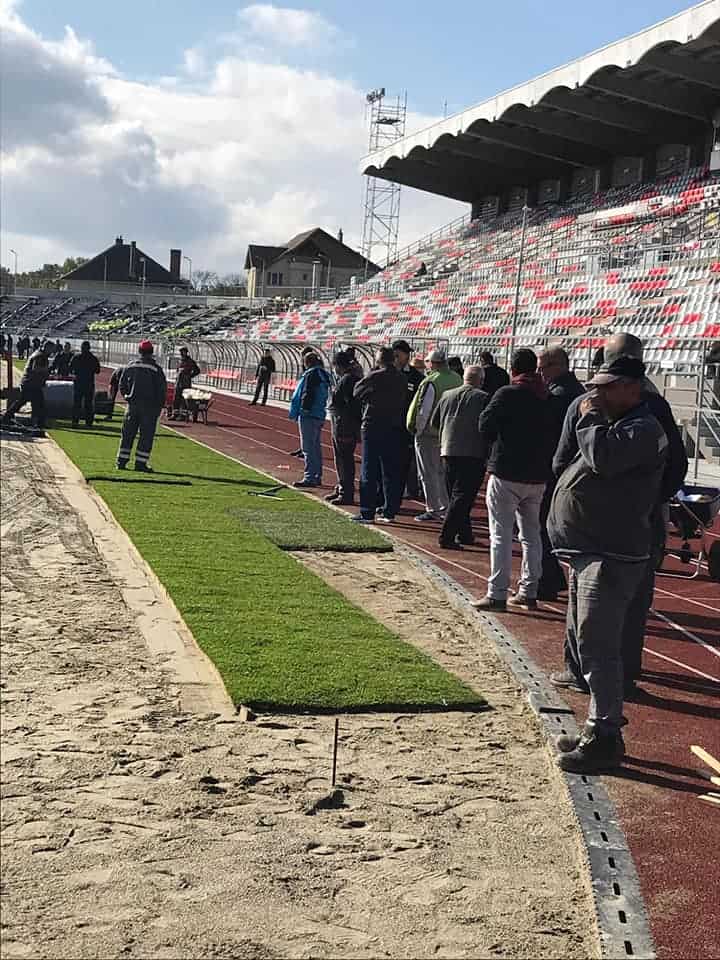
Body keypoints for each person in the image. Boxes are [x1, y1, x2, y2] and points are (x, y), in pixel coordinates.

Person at [548, 356, 668, 773]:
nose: (593, 393)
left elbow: (604, 460)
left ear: (633, 388)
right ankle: (597, 727)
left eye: (605, 386)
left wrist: (588, 420)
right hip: (591, 549)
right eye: (594, 386)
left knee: (598, 645)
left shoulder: (643, 428)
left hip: (612, 554)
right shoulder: (615, 423)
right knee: (585, 646)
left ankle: (605, 736)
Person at [552, 333, 687, 696]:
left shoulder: (588, 407)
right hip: (636, 517)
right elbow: (677, 464)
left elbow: (562, 461)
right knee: (629, 599)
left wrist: (582, 490)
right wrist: (651, 498)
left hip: (603, 521)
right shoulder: (655, 406)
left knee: (587, 600)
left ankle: (584, 674)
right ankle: (620, 674)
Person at [475, 348, 555, 612]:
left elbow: (484, 425)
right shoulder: (547, 396)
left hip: (507, 472)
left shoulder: (508, 393)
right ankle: (529, 591)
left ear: (513, 369)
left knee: (501, 534)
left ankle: (497, 593)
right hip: (537, 475)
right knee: (532, 535)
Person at [536, 347, 585, 600]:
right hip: (569, 471)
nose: (539, 373)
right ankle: (551, 577)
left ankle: (548, 579)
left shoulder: (560, 396)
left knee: (543, 526)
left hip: (558, 472)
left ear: (557, 366)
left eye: (543, 368)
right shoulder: (575, 392)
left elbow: (550, 436)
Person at [431, 365, 489, 549]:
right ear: (480, 380)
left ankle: (465, 534)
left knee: (456, 495)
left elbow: (435, 421)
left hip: (448, 449)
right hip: (472, 452)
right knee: (463, 496)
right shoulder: (483, 398)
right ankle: (447, 536)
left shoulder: (447, 395)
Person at [352, 346, 409, 523]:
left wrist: (370, 397)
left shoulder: (375, 375)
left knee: (369, 469)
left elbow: (356, 392)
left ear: (379, 360)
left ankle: (367, 511)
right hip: (393, 426)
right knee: (390, 470)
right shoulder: (401, 377)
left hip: (373, 424)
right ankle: (389, 510)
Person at [407, 349, 462, 521]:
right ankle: (446, 507)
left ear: (433, 363)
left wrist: (418, 430)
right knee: (443, 473)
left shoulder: (431, 381)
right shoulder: (456, 378)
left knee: (428, 473)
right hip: (449, 432)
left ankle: (434, 508)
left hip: (430, 434)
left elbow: (424, 410)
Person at [116, 340, 167, 472]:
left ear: (139, 351)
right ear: (151, 352)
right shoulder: (156, 369)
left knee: (127, 434)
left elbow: (121, 385)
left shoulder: (130, 366)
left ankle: (121, 461)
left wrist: (127, 396)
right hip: (149, 408)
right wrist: (159, 407)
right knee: (146, 436)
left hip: (132, 406)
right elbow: (162, 390)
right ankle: (140, 463)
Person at [289, 352, 330, 488]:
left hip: (309, 414)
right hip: (319, 413)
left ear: (306, 362)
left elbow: (307, 393)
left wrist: (304, 409)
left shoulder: (311, 374)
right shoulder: (322, 374)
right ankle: (316, 475)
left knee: (308, 448)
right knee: (315, 447)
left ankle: (310, 477)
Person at [326, 350, 362, 505]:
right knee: (341, 459)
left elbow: (348, 404)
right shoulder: (349, 378)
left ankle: (346, 492)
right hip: (342, 423)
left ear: (338, 366)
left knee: (344, 459)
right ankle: (342, 487)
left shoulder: (347, 380)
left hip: (344, 425)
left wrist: (345, 421)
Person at [392, 339, 425, 502]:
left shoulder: (415, 376)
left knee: (409, 458)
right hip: (389, 422)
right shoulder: (385, 372)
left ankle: (411, 489)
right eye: (406, 353)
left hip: (407, 424)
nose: (408, 356)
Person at [2, 352, 49, 429]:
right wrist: (46, 369)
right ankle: (39, 423)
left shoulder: (38, 354)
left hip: (31, 383)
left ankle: (7, 417)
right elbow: (35, 368)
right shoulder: (40, 356)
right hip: (31, 383)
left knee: (25, 402)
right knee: (37, 403)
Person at [69, 341, 101, 427]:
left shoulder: (76, 357)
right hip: (89, 383)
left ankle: (75, 421)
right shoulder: (93, 358)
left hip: (79, 383)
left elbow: (70, 368)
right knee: (88, 404)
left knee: (77, 403)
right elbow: (98, 371)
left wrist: (76, 371)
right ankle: (88, 422)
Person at [170, 346, 200, 420]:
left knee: (184, 399)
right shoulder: (180, 361)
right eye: (180, 352)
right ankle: (175, 414)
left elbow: (197, 370)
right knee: (176, 398)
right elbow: (178, 370)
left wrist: (190, 376)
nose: (181, 354)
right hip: (178, 382)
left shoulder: (190, 361)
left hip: (186, 383)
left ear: (186, 352)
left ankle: (183, 415)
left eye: (182, 352)